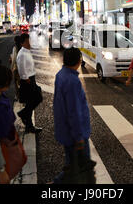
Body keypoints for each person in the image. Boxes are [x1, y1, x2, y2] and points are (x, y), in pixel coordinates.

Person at [53, 48, 92, 183]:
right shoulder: (72, 81)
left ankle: (57, 182)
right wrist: (79, 137)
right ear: (78, 61)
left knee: (72, 164)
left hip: (65, 130)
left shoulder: (60, 74)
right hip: (74, 135)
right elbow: (74, 112)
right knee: (81, 167)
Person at [17, 33, 43, 134]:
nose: (29, 43)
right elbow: (21, 66)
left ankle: (25, 118)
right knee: (34, 99)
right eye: (27, 41)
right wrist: (25, 78)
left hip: (31, 78)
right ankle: (28, 122)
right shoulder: (22, 53)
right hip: (27, 80)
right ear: (23, 43)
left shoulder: (26, 51)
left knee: (34, 99)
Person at [9, 35, 22, 101]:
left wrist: (11, 68)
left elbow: (14, 59)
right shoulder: (23, 48)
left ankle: (17, 96)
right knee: (21, 83)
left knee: (16, 83)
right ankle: (22, 95)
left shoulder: (15, 48)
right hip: (23, 69)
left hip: (16, 69)